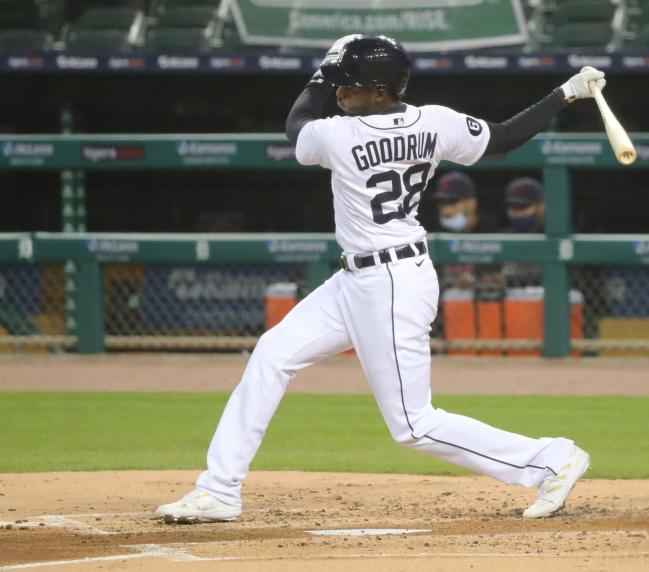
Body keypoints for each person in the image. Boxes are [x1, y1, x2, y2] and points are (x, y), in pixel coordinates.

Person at [156, 34, 605, 523]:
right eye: (337, 84)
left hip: (391, 284)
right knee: (272, 354)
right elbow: (505, 137)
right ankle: (219, 489)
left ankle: (549, 459)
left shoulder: (337, 135)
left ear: (378, 90)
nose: (339, 91)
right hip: (359, 280)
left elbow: (296, 126)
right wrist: (566, 93)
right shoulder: (434, 121)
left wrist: (317, 76)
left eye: (347, 84)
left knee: (413, 425)